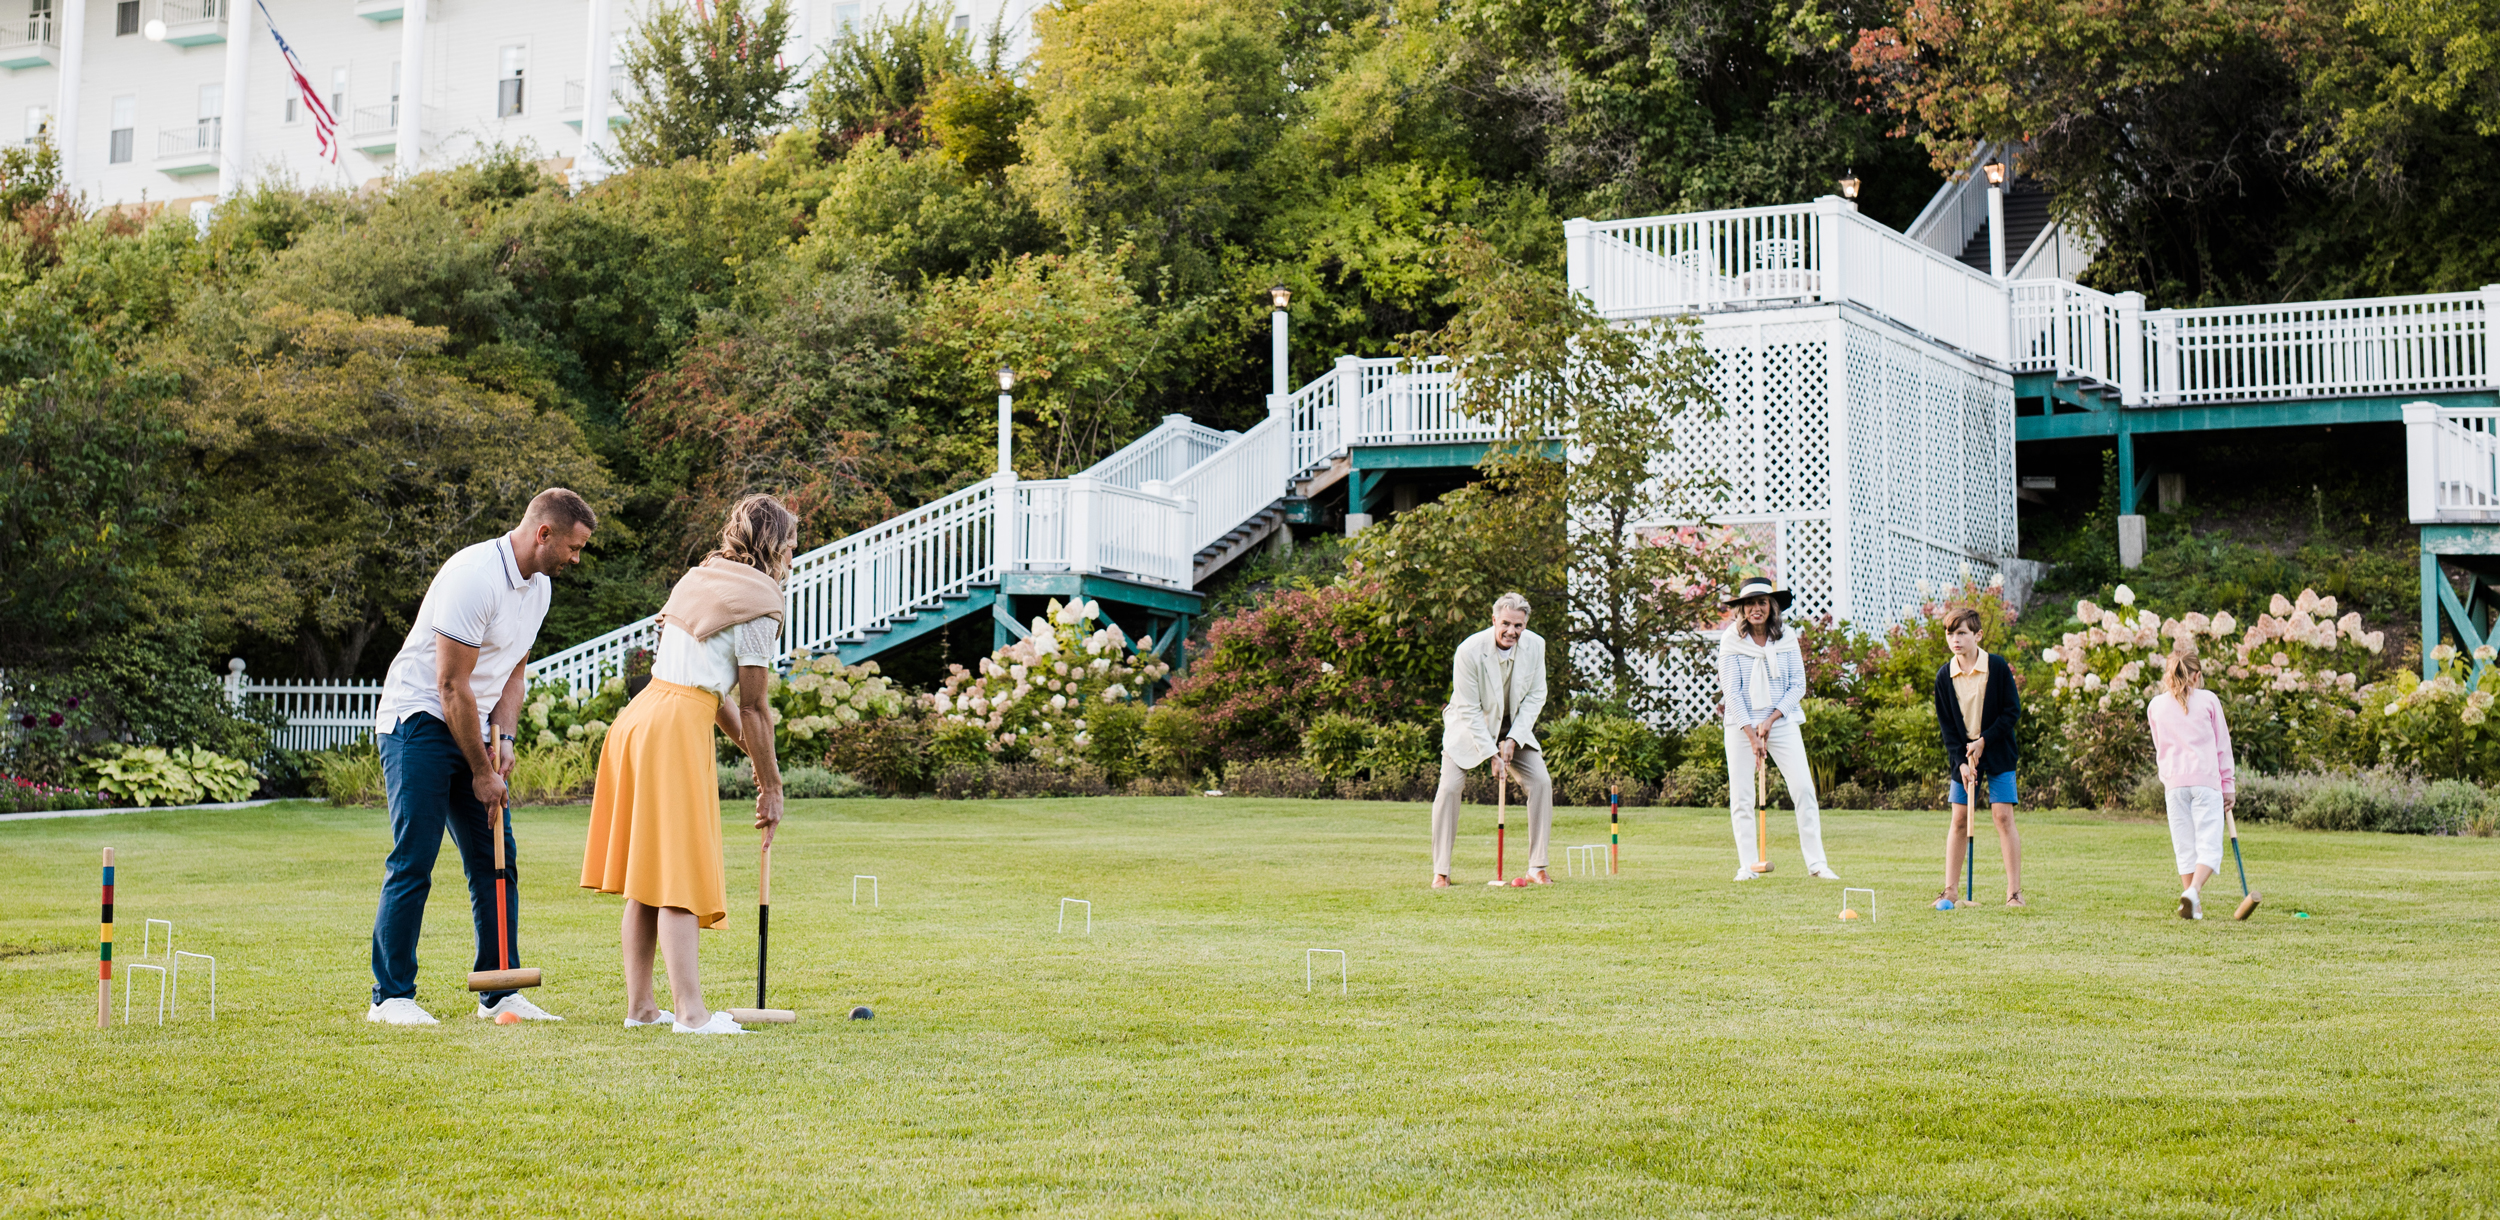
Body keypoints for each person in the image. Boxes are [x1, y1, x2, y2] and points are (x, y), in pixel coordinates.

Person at [366, 488, 598, 1026]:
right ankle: (391, 997)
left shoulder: (538, 589)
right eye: (574, 547)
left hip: (472, 724)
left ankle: (499, 988)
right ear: (544, 534)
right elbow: (450, 686)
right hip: (419, 720)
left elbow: (514, 672)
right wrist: (480, 771)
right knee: (414, 858)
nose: (576, 559)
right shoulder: (474, 575)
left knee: (495, 861)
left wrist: (506, 740)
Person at [581, 495, 794, 1034]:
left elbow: (718, 700)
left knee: (648, 874)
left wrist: (754, 759)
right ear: (772, 545)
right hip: (674, 729)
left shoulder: (702, 577)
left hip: (640, 718)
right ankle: (692, 1015)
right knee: (677, 871)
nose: (793, 556)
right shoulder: (761, 602)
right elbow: (754, 706)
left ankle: (642, 1008)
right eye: (790, 545)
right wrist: (771, 786)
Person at [1718, 573, 1839, 882]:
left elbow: (1798, 685)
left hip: (1781, 722)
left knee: (1804, 790)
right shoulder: (1731, 639)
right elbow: (1731, 692)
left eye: (1762, 602)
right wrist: (1751, 733)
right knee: (1742, 796)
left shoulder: (1786, 638)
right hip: (1740, 725)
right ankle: (1747, 866)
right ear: (1742, 608)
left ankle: (1817, 864)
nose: (1756, 609)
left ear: (1771, 606)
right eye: (1749, 604)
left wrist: (1771, 720)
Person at [1429, 592, 1550, 888]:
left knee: (1541, 781)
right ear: (1494, 619)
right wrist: (1491, 754)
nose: (1512, 631)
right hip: (1469, 728)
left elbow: (1536, 696)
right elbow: (1469, 709)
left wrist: (1512, 739)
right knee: (1449, 787)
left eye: (1518, 626)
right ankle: (1441, 871)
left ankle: (1537, 866)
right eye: (1506, 623)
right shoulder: (1469, 650)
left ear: (1526, 624)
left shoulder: (1536, 646)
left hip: (1514, 728)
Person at [1933, 605, 2025, 907]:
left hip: (1997, 749)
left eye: (1962, 633)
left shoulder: (1996, 667)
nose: (1955, 639)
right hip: (1963, 754)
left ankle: (2014, 893)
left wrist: (1985, 740)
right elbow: (1948, 727)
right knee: (1959, 818)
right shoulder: (1944, 676)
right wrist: (1960, 761)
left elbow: (2012, 711)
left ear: (1978, 635)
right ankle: (1951, 891)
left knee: (2002, 816)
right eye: (1950, 633)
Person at [2147, 652, 2235, 920]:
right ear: (2197, 675)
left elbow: (2158, 745)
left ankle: (2193, 903)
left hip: (2175, 785)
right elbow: (2222, 745)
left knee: (2184, 846)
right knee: (2210, 846)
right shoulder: (2209, 700)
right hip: (2205, 782)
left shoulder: (2155, 705)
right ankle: (2193, 891)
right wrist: (2228, 784)